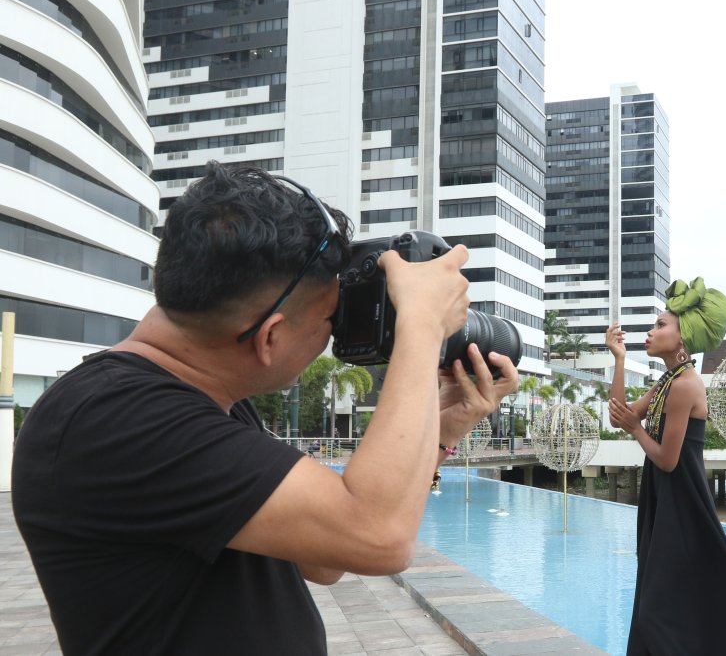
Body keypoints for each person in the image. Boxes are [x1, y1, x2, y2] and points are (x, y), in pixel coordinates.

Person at [11, 161, 518, 655]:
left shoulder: (202, 402)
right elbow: (378, 537)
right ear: (271, 336)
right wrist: (422, 329)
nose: (332, 335)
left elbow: (327, 558)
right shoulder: (119, 419)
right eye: (328, 319)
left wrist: (444, 425)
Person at [606, 278, 726, 655]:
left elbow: (667, 459)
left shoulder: (686, 385)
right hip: (665, 499)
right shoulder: (667, 381)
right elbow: (618, 416)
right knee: (666, 604)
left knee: (657, 612)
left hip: (682, 505)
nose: (651, 331)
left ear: (683, 337)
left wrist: (635, 429)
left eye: (660, 325)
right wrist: (620, 361)